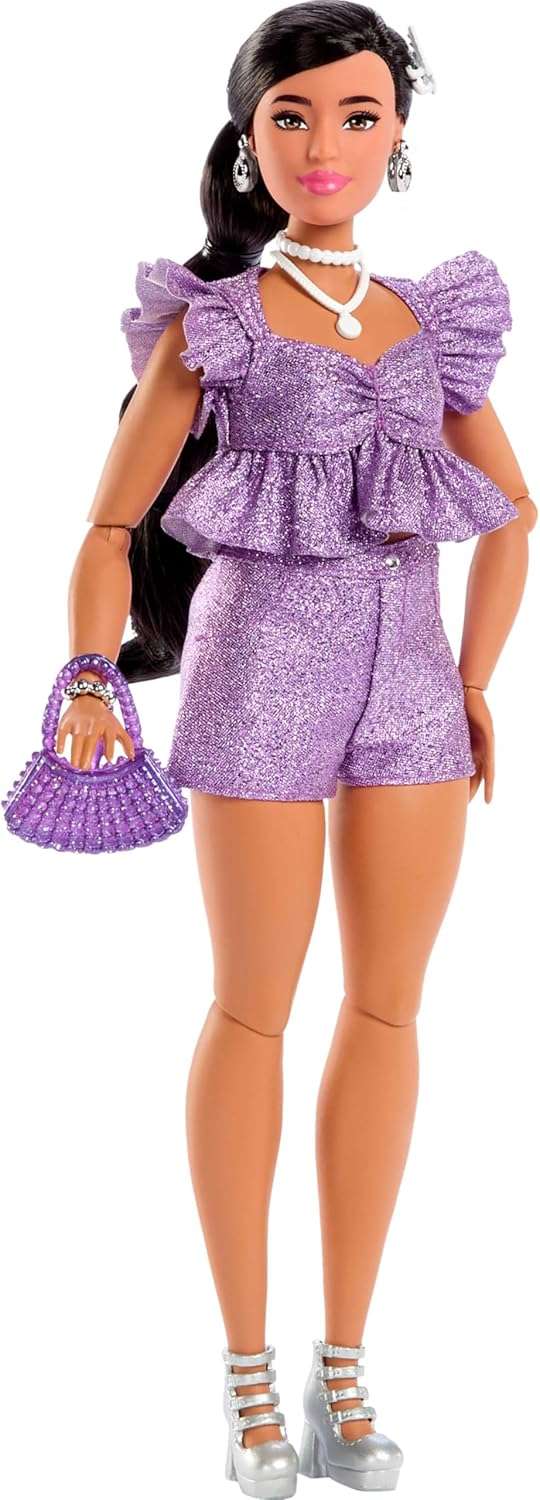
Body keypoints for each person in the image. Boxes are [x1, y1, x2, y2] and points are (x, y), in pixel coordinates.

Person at [55, 5, 536, 1494]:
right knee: (253, 1009)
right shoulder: (220, 320)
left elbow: (511, 511)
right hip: (259, 676)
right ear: (248, 140)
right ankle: (246, 1374)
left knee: (387, 1011)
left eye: (358, 116)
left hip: (414, 696)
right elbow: (111, 522)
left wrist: (475, 681)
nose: (325, 145)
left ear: (399, 139)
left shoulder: (429, 319)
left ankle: (346, 1363)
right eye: (292, 117)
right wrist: (89, 670)